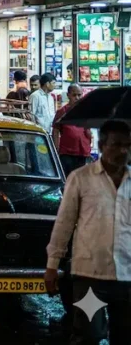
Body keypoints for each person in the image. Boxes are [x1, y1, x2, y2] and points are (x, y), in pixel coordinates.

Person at [46, 120, 131, 344]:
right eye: (116, 144)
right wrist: (52, 266)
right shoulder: (80, 178)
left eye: (127, 145)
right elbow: (64, 223)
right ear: (102, 145)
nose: (123, 151)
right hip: (90, 279)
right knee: (89, 335)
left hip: (127, 278)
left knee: (125, 336)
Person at [52, 84, 93, 176]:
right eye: (74, 95)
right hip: (67, 153)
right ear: (68, 95)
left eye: (79, 95)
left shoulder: (85, 111)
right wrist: (56, 148)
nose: (77, 98)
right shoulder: (62, 111)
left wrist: (89, 143)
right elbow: (55, 130)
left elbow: (88, 130)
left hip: (82, 152)